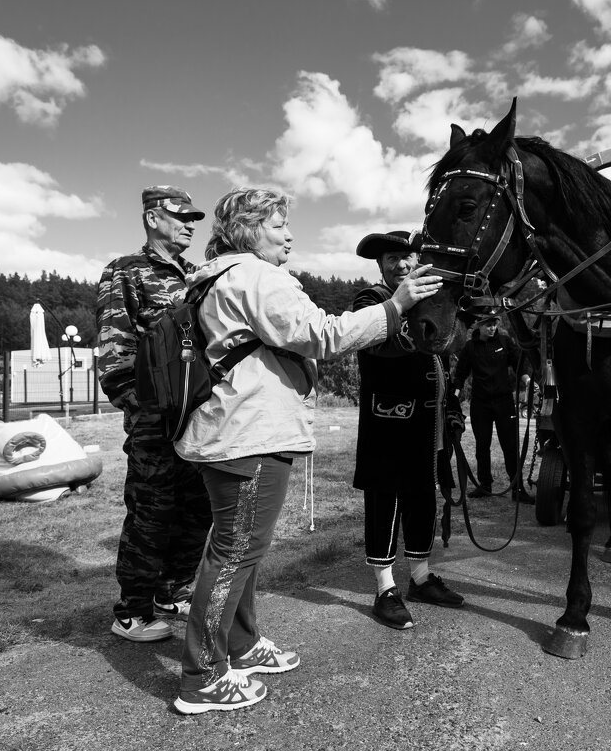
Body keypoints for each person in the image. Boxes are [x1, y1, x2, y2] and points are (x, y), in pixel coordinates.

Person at [171, 188, 443, 714]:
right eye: (278, 225)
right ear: (249, 230)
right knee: (233, 553)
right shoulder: (256, 276)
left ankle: (242, 644)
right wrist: (397, 306)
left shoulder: (221, 277)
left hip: (239, 431)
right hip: (249, 434)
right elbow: (322, 334)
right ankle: (202, 676)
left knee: (240, 548)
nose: (290, 234)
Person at [95, 185, 213, 643]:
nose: (189, 225)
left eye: (193, 219)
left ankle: (171, 592)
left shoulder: (196, 274)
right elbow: (114, 350)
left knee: (197, 510)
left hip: (197, 417)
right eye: (181, 216)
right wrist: (142, 410)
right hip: (154, 420)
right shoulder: (126, 271)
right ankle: (132, 610)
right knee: (151, 513)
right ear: (152, 218)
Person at [351, 230, 467, 631]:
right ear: (381, 266)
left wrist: (452, 409)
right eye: (393, 259)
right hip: (389, 420)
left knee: (422, 498)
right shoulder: (370, 300)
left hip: (428, 422)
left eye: (410, 257)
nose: (403, 264)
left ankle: (419, 578)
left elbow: (443, 363)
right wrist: (406, 309)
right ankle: (385, 588)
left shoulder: (432, 301)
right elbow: (382, 345)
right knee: (385, 499)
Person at [452, 312, 534, 502]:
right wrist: (454, 397)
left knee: (510, 446)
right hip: (481, 404)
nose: (492, 328)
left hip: (504, 401)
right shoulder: (470, 347)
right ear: (479, 326)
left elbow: (518, 364)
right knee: (482, 446)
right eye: (488, 325)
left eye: (494, 324)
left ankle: (518, 488)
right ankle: (485, 485)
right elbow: (460, 375)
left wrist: (528, 380)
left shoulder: (504, 342)